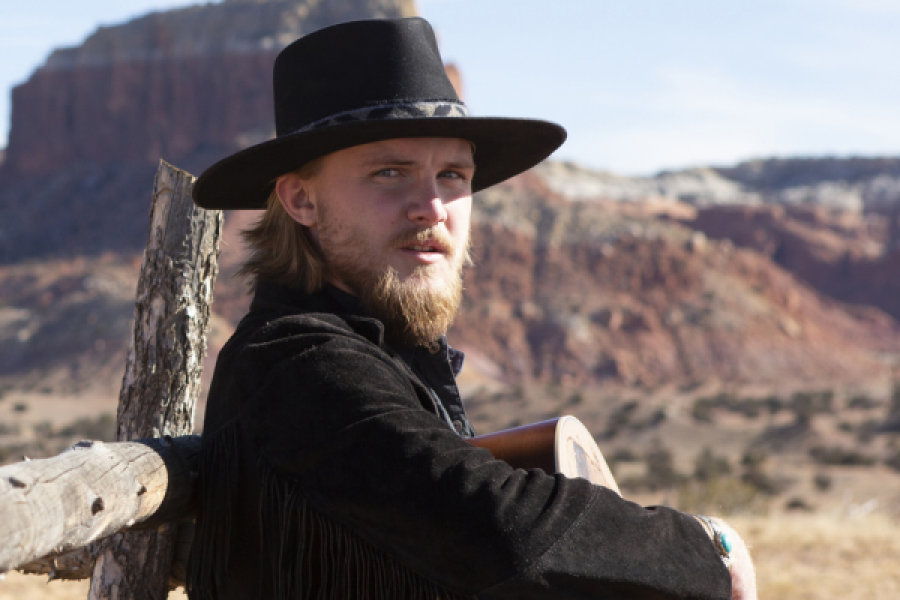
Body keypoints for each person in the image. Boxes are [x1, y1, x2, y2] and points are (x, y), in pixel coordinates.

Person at [186, 17, 756, 600]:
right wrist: (709, 548)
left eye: (453, 175)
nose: (432, 207)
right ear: (301, 199)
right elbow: (505, 529)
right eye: (390, 173)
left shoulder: (377, 354)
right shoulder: (295, 363)